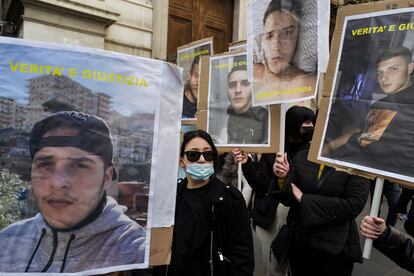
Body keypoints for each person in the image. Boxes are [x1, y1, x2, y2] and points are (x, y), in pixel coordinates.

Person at [0, 111, 146, 273]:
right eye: (45, 164)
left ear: (106, 177)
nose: (57, 183)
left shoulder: (134, 250)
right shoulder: (7, 241)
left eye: (78, 166)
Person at [154, 130, 254, 276]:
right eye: (193, 155)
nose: (201, 160)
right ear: (182, 161)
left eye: (208, 154)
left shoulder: (230, 199)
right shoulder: (170, 198)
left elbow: (242, 258)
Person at [273, 125, 370, 275]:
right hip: (300, 241)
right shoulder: (303, 155)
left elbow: (353, 206)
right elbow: (289, 198)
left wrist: (305, 199)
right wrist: (282, 177)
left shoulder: (358, 163)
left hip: (333, 247)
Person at [232, 105, 315, 276]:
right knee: (274, 266)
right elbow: (261, 183)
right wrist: (247, 163)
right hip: (270, 216)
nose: (310, 128)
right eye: (305, 123)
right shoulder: (274, 151)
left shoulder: (312, 154)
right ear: (293, 124)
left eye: (312, 123)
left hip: (301, 219)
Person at [323, 47, 414, 177]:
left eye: (393, 69)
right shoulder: (381, 102)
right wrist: (329, 147)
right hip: (361, 165)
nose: (384, 78)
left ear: (410, 68)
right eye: (380, 73)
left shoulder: (409, 104)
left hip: (388, 171)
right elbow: (360, 130)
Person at [253, 0, 317, 102]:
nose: (276, 46)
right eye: (269, 36)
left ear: (299, 35)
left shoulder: (307, 83)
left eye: (286, 33)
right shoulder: (251, 75)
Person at [226, 64, 269, 144]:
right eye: (232, 85)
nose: (238, 90)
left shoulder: (264, 116)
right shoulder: (223, 117)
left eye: (245, 84)